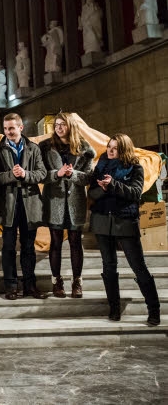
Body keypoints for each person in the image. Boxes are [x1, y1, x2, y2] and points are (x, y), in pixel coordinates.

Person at [89, 134, 160, 326]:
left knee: (138, 266)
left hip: (125, 221)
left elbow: (135, 193)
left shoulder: (135, 167)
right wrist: (102, 189)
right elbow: (91, 193)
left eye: (115, 148)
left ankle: (154, 309)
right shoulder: (101, 166)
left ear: (124, 149)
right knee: (108, 266)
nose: (110, 151)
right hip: (102, 220)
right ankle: (114, 309)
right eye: (109, 147)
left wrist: (113, 185)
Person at [0, 113, 48, 300]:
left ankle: (30, 285)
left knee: (28, 247)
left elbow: (41, 173)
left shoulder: (33, 148)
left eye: (11, 128)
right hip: (8, 204)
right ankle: (11, 286)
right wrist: (11, 175)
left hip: (29, 204)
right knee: (8, 247)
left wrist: (25, 174)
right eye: (5, 128)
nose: (8, 132)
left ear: (21, 128)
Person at [40, 113, 96, 298]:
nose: (59, 128)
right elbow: (40, 175)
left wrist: (72, 174)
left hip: (75, 202)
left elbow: (89, 177)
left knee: (75, 242)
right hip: (54, 200)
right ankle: (57, 281)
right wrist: (57, 173)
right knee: (55, 242)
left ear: (70, 126)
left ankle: (77, 282)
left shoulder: (84, 149)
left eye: (62, 124)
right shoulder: (46, 147)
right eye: (56, 125)